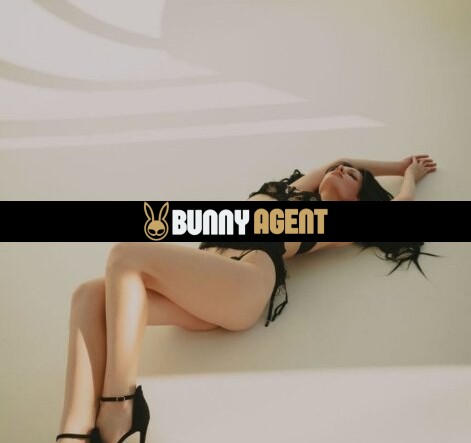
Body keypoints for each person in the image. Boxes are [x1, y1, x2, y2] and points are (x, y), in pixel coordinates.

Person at [55, 155, 437, 443]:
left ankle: (119, 410)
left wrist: (409, 173)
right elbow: (337, 159)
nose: (342, 170)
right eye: (341, 169)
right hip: (205, 286)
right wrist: (393, 161)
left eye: (352, 176)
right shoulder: (285, 193)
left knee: (126, 253)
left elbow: (399, 206)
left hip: (244, 283)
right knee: (88, 295)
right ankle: (73, 434)